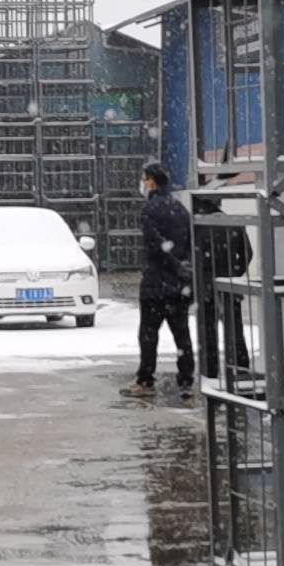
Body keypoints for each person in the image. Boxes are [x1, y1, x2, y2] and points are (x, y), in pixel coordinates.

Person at [131, 160, 195, 394]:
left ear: (153, 182)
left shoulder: (150, 209)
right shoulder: (180, 209)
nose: (143, 183)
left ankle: (145, 378)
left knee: (148, 333)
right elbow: (189, 243)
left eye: (145, 178)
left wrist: (169, 263)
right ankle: (186, 377)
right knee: (182, 333)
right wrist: (181, 267)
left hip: (155, 284)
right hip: (178, 286)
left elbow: (153, 245)